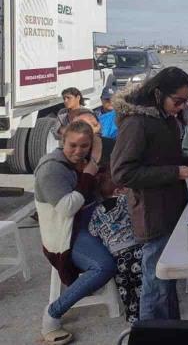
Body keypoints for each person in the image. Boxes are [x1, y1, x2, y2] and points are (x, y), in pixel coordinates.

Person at [111, 67, 188, 320]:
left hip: (171, 208)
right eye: (179, 101)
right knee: (156, 283)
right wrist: (174, 172)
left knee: (167, 279)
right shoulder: (136, 123)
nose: (183, 107)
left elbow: (161, 157)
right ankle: (151, 334)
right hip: (152, 213)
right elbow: (122, 173)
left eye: (186, 101)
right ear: (159, 93)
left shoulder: (165, 119)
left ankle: (171, 332)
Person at [34, 120, 116, 345]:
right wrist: (89, 175)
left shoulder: (84, 161)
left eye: (84, 146)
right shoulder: (51, 168)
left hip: (90, 223)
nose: (78, 151)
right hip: (66, 234)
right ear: (63, 142)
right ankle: (52, 314)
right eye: (73, 145)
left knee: (134, 242)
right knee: (104, 266)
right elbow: (67, 208)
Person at [88, 172, 143, 323]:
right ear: (118, 191)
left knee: (126, 288)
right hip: (136, 251)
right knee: (142, 284)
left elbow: (93, 231)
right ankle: (148, 313)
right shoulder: (126, 201)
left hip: (117, 258)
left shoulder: (96, 213)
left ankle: (133, 319)